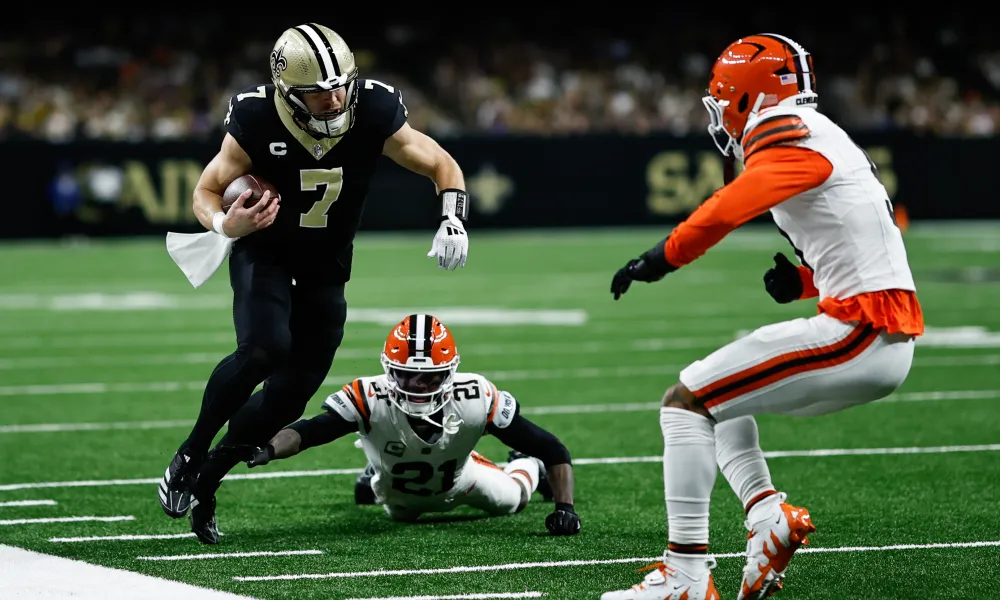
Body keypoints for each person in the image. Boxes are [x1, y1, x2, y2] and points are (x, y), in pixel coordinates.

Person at [602, 33, 924, 600]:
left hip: (860, 332)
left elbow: (730, 206)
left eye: (725, 97)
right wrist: (804, 282)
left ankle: (685, 577)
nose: (720, 111)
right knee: (721, 401)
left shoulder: (786, 131)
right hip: (874, 326)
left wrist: (661, 258)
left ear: (748, 95)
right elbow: (866, 243)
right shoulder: (821, 132)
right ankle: (768, 516)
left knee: (684, 404)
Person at [158, 23, 473, 540]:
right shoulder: (257, 116)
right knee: (264, 349)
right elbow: (206, 190)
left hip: (327, 265)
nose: (334, 99)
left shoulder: (372, 108)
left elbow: (441, 163)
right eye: (318, 92)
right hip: (266, 252)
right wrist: (225, 225)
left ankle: (208, 479)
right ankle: (190, 451)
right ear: (287, 93)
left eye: (340, 86)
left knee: (289, 399)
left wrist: (452, 218)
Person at [232, 314, 581, 539]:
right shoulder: (370, 396)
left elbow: (552, 449)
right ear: (389, 370)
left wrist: (565, 508)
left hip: (463, 480)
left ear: (449, 374)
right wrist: (268, 449)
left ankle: (524, 465)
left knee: (514, 499)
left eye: (429, 377)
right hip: (399, 498)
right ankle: (377, 471)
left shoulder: (475, 397)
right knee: (396, 509)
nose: (417, 385)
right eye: (406, 375)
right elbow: (309, 432)